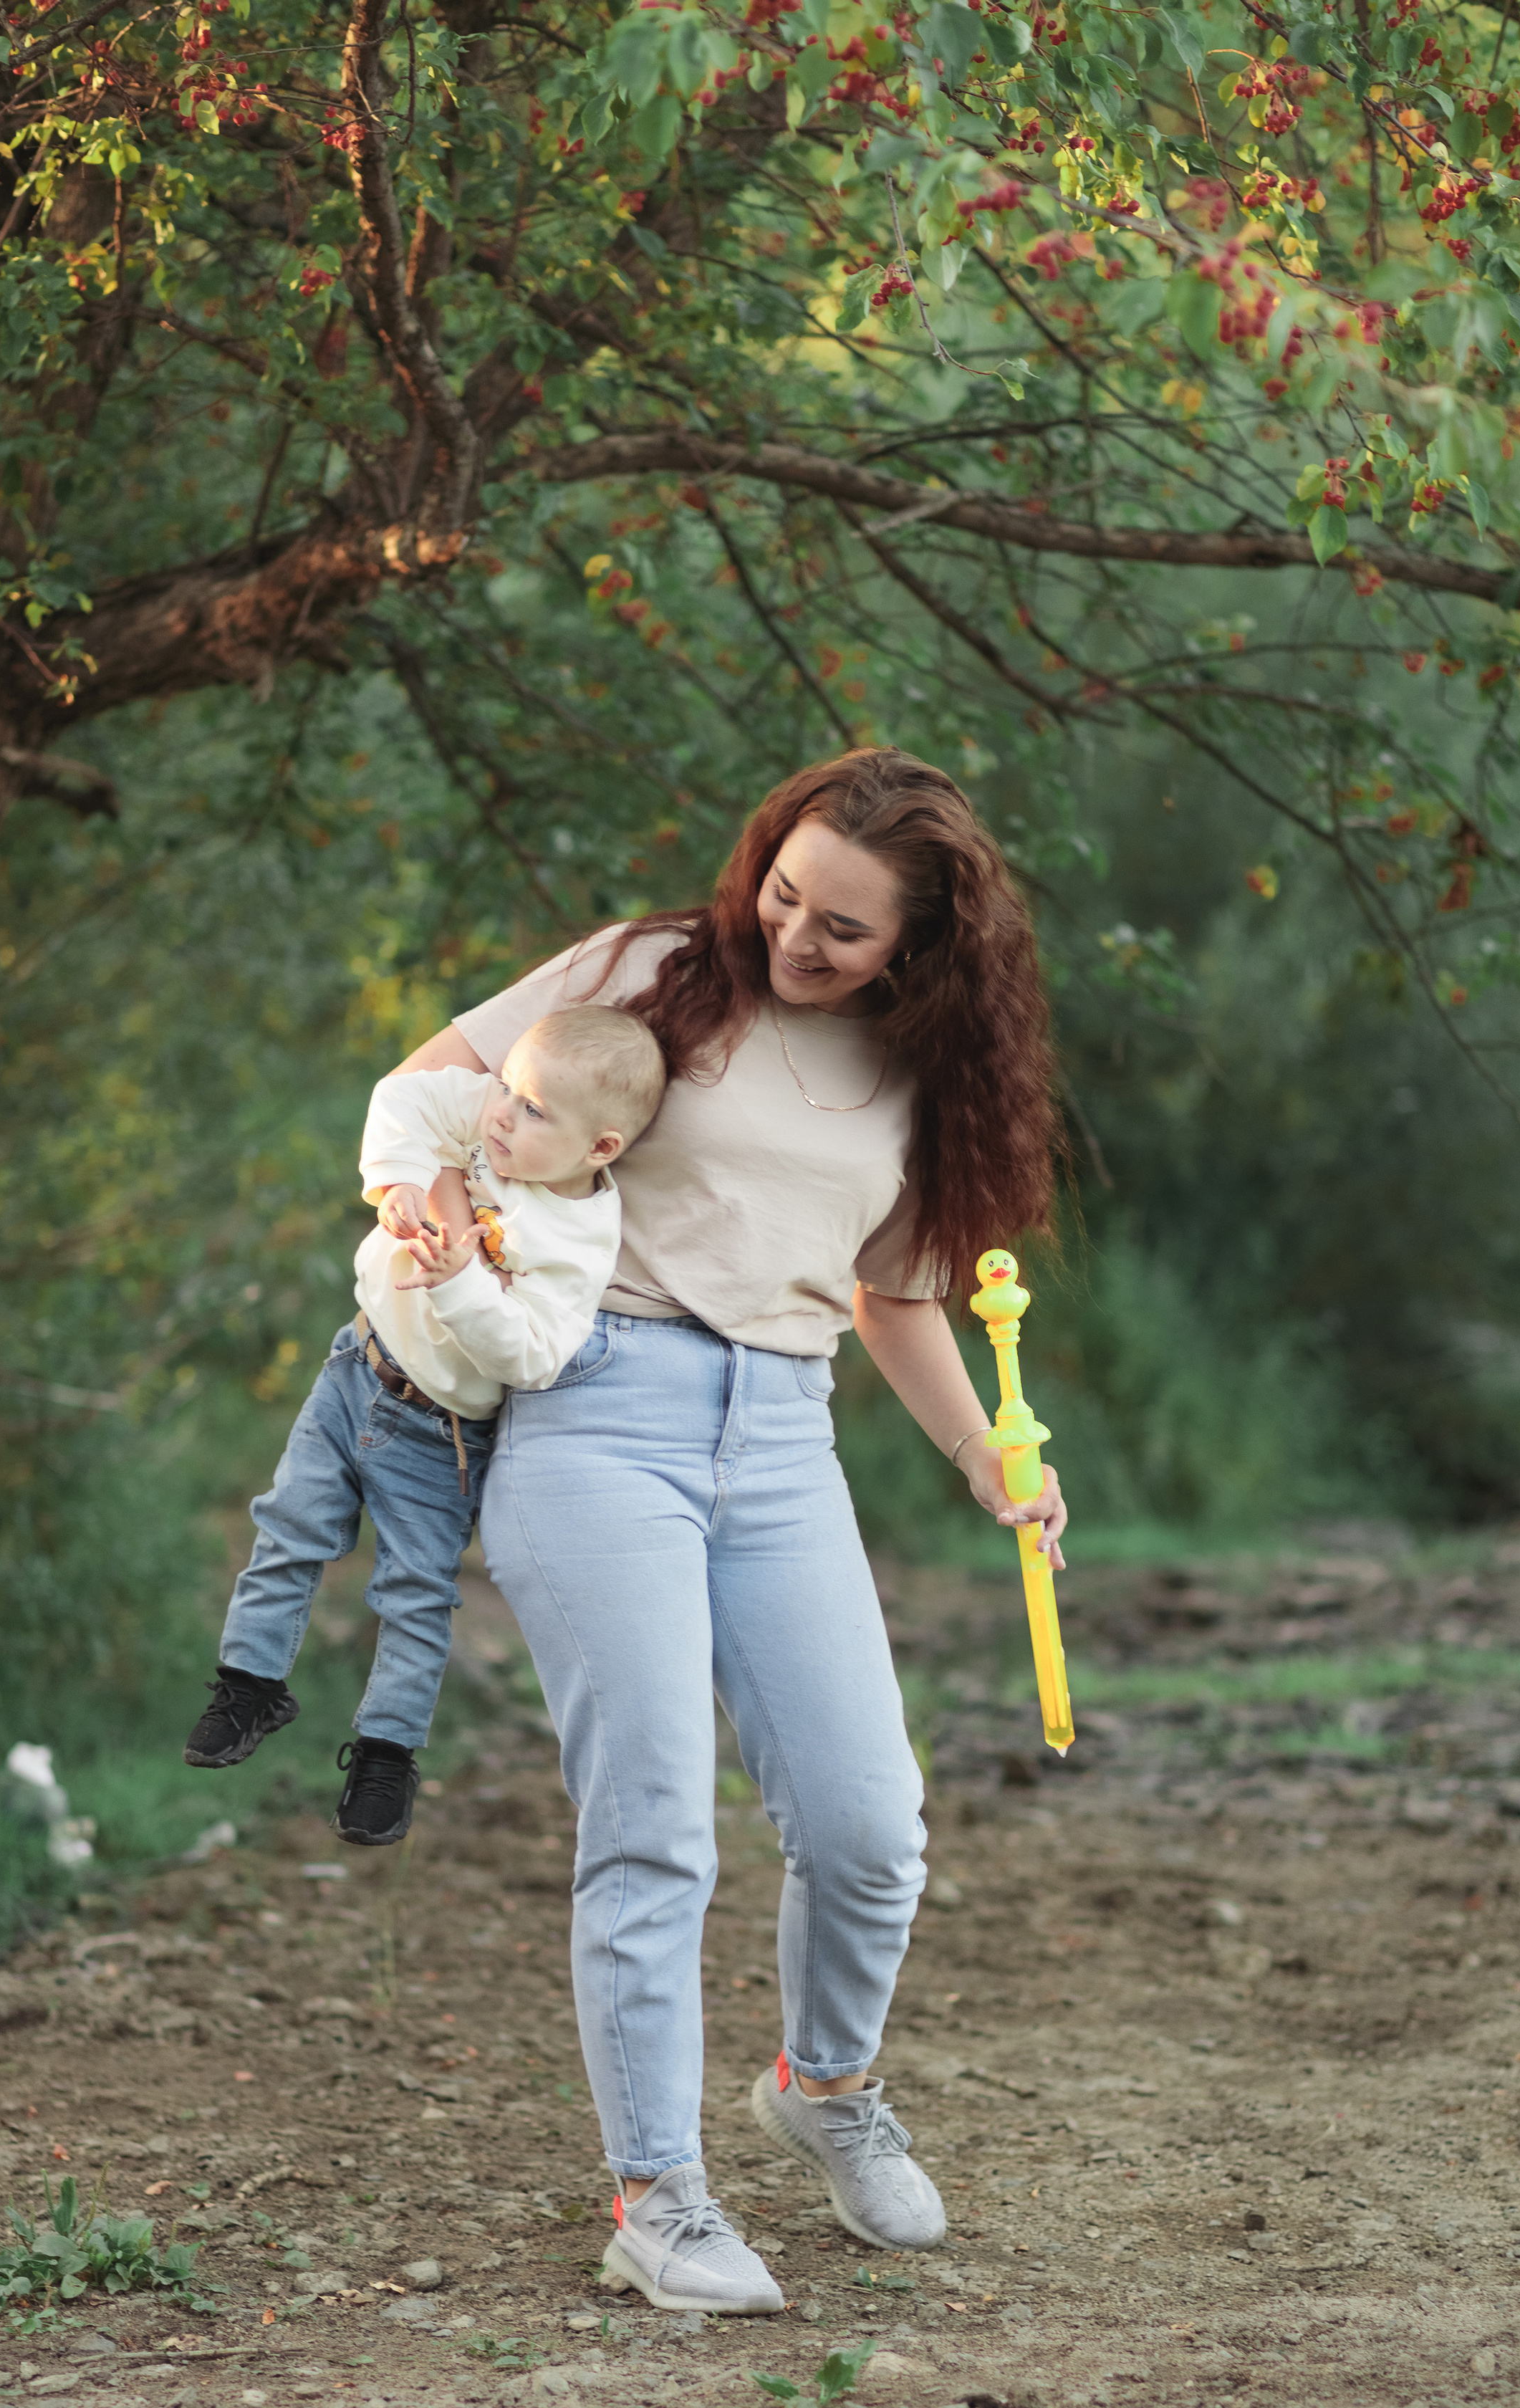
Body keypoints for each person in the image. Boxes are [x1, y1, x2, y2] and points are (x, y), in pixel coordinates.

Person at [389, 748, 1068, 2314]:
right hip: (594, 1413)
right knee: (655, 1825)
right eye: (785, 893)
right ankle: (658, 2197)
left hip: (780, 1434)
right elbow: (431, 1087)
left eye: (843, 926)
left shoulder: (917, 1069)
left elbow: (893, 1298)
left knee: (868, 1825)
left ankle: (822, 2087)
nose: (793, 936)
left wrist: (986, 1462)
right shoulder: (646, 972)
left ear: (919, 944)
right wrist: (423, 1207)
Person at [181, 1007, 666, 1846]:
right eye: (508, 1090)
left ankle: (386, 1754)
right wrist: (401, 1178)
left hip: (440, 1435)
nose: (502, 1115)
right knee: (289, 1525)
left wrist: (459, 1280)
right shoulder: (488, 1114)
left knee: (413, 1592)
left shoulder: (579, 1241)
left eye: (533, 1110)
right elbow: (402, 1098)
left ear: (600, 1148)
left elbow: (534, 1356)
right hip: (356, 1367)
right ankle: (249, 1684)